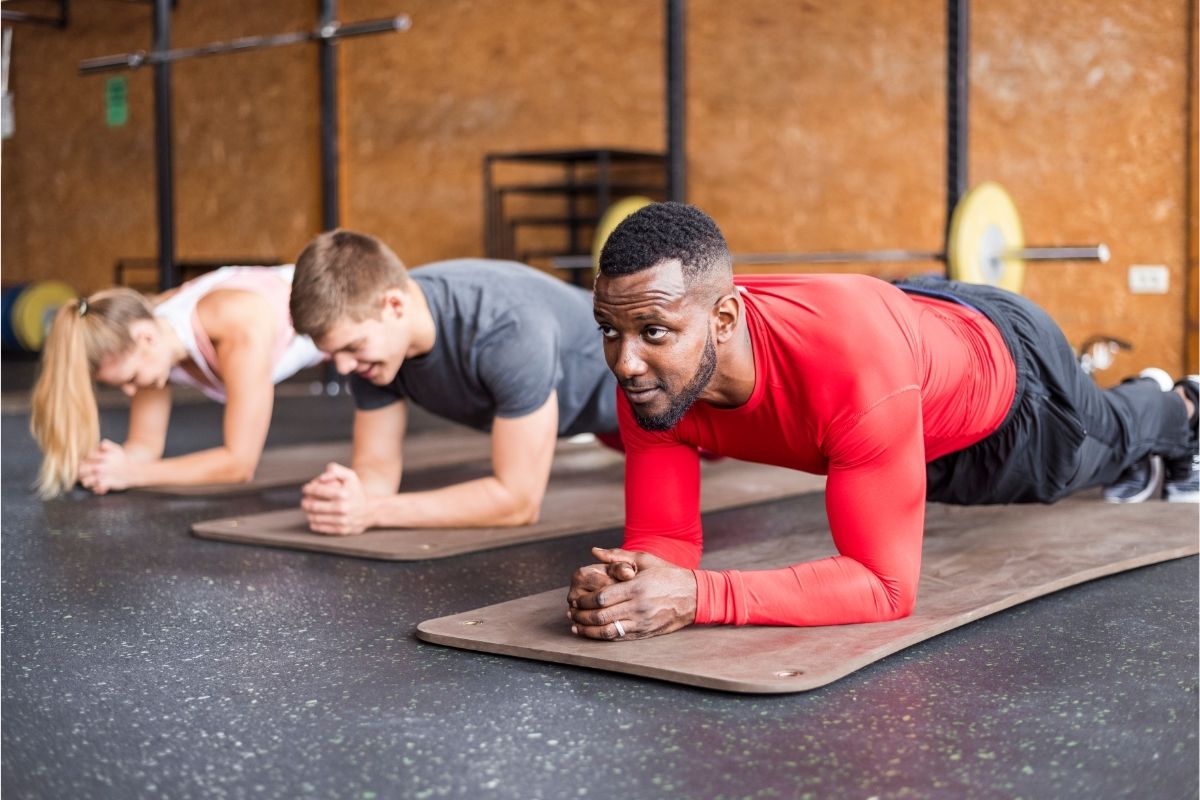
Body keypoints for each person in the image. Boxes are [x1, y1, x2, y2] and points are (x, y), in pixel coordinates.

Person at [566, 201, 1198, 642]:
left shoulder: (848, 369)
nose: (624, 362)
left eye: (652, 332)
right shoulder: (652, 375)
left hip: (1010, 382)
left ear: (725, 320)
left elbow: (885, 587)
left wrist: (701, 598)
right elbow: (665, 537)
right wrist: (628, 585)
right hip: (908, 343)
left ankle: (1178, 405)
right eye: (609, 331)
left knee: (1095, 450)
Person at [287, 229, 620, 535]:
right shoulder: (372, 352)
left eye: (352, 347)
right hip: (595, 419)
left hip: (651, 410)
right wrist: (347, 497)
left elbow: (518, 501)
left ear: (395, 305)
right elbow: (376, 470)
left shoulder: (505, 328)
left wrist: (374, 511)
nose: (344, 367)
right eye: (333, 355)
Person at [30, 265, 324, 498]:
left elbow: (239, 463)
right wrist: (108, 464)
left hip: (333, 294)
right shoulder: (147, 334)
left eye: (131, 378)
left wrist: (132, 475)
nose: (131, 391)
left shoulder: (238, 327)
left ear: (146, 338)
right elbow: (145, 446)